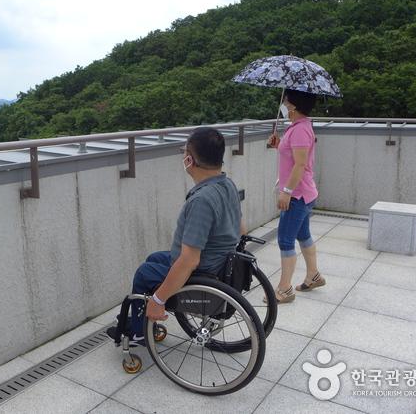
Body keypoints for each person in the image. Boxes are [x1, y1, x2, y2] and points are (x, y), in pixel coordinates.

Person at [107, 127, 242, 345]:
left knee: (144, 273)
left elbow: (190, 260)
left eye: (184, 152)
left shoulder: (201, 201)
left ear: (190, 159)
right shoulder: (227, 184)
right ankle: (139, 318)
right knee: (154, 258)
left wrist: (158, 300)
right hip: (221, 260)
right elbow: (240, 227)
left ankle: (139, 331)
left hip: (204, 269)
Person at [266, 89, 326, 303]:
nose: (283, 103)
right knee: (303, 235)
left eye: (285, 100)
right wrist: (279, 145)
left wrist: (287, 192)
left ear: (293, 105)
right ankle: (313, 275)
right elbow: (294, 157)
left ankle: (285, 289)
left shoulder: (300, 130)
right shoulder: (299, 127)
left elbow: (300, 164)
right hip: (304, 192)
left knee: (285, 239)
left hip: (297, 195)